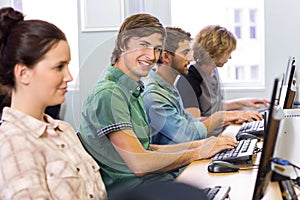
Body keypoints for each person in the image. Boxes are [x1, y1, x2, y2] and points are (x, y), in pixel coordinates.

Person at [79, 13, 237, 196]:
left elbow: (147, 148)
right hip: (134, 192)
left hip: (154, 182)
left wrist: (202, 145)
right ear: (123, 44)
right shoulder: (109, 94)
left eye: (156, 49)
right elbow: (140, 163)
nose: (152, 55)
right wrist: (199, 151)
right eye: (144, 45)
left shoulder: (131, 88)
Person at [0, 7, 106, 199]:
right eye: (59, 67)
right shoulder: (13, 143)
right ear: (23, 73)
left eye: (67, 66)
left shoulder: (64, 131)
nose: (69, 76)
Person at [142, 27, 262, 145]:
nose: (190, 58)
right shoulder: (154, 96)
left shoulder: (167, 87)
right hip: (177, 160)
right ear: (166, 57)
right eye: (185, 53)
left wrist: (230, 117)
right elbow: (186, 135)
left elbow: (188, 122)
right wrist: (221, 118)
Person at [176, 25, 269, 119]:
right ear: (217, 51)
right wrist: (234, 116)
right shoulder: (189, 80)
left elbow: (212, 108)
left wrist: (243, 102)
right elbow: (194, 122)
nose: (230, 57)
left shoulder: (213, 72)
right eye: (228, 53)